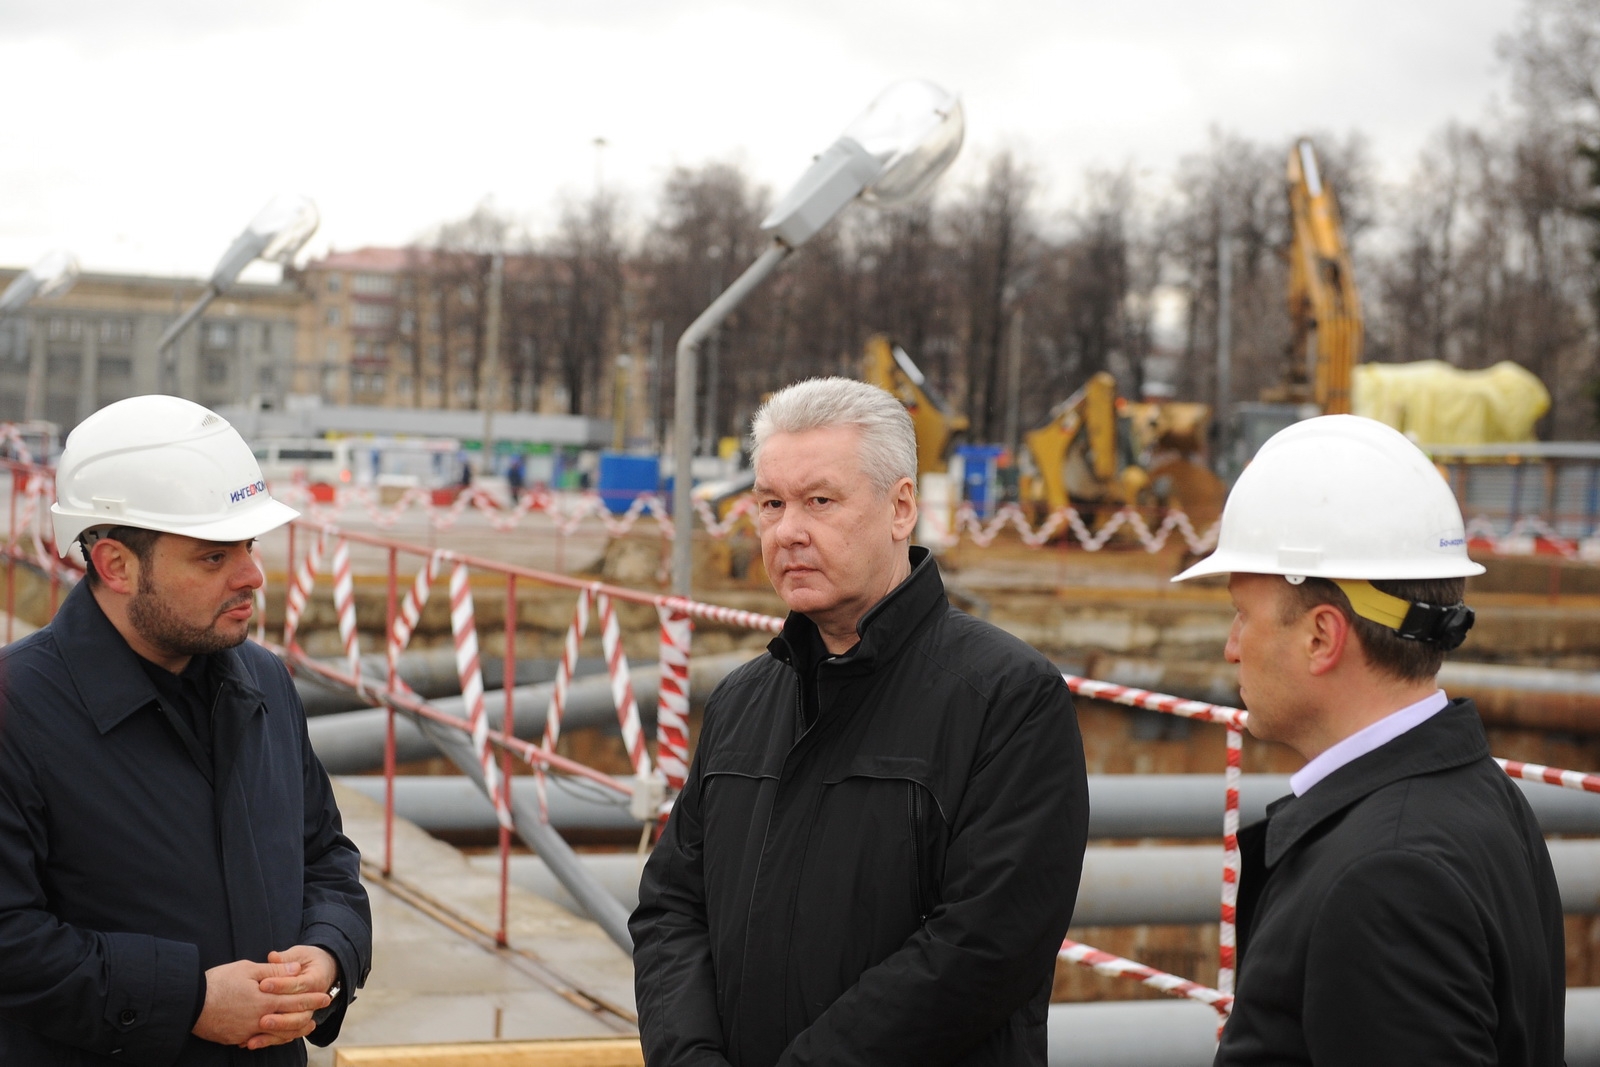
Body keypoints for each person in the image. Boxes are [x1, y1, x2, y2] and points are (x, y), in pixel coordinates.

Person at [630, 377, 1089, 1067]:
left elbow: (985, 947)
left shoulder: (1008, 699)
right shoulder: (741, 703)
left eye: (820, 501)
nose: (789, 531)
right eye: (771, 503)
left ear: (900, 508)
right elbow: (671, 907)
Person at [1172, 414, 1564, 1065]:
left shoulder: (1383, 880)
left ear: (1321, 637)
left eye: (1242, 615)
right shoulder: (1482, 797)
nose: (1231, 647)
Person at [0, 395, 372, 1064]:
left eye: (249, 545)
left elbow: (325, 855)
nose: (253, 575)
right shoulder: (15, 711)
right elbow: (10, 939)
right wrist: (189, 1001)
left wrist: (329, 952)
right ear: (116, 564)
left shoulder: (265, 682)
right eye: (213, 556)